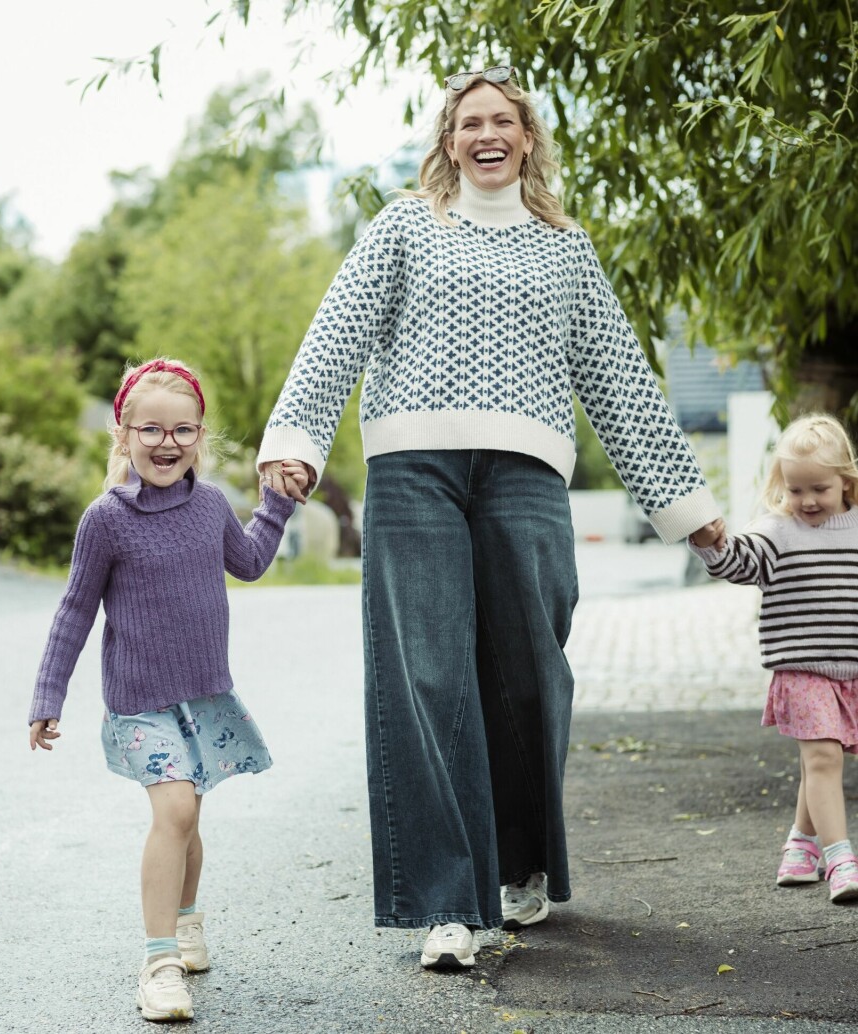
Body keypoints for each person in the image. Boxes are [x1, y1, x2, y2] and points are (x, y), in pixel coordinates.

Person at [259, 65, 721, 968]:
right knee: (428, 677)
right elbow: (339, 327)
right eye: (470, 122)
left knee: (528, 675)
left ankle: (520, 866)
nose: (487, 134)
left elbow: (620, 381)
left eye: (503, 121)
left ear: (528, 138)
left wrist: (691, 511)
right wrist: (298, 439)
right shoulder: (404, 226)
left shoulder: (565, 247)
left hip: (527, 473)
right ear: (448, 139)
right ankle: (447, 907)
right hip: (412, 467)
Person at [28, 358, 306, 1021]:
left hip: (203, 695)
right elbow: (74, 611)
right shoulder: (107, 519)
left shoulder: (210, 505)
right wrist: (48, 695)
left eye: (182, 430)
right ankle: (158, 964)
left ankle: (184, 920)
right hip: (141, 701)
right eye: (149, 429)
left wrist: (277, 503)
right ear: (122, 435)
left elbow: (251, 561)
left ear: (199, 438)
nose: (166, 443)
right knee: (175, 811)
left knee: (189, 816)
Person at [689, 413, 858, 905]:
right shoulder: (777, 531)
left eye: (819, 489)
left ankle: (800, 847)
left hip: (851, 669)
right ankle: (840, 859)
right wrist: (710, 542)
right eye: (795, 489)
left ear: (845, 480)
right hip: (802, 668)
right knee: (823, 757)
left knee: (823, 761)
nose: (806, 501)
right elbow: (739, 562)